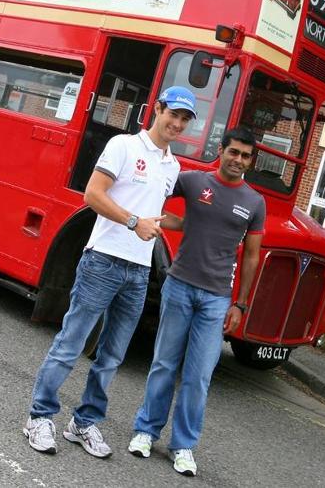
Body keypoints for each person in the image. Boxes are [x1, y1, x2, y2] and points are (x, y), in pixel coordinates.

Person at [23, 85, 197, 458]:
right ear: (159, 110)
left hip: (138, 272)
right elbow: (93, 195)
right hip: (102, 260)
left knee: (112, 357)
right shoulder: (123, 146)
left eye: (185, 120)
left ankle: (84, 423)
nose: (177, 124)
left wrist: (195, 224)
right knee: (70, 344)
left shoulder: (172, 165)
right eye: (174, 115)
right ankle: (39, 416)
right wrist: (133, 222)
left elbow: (154, 211)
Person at [127, 126, 266, 477]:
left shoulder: (254, 202)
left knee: (198, 376)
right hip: (179, 287)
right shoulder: (192, 182)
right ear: (221, 150)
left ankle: (183, 445)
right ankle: (145, 431)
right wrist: (151, 220)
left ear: (252, 161)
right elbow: (150, 189)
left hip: (217, 298)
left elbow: (250, 257)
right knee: (163, 364)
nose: (238, 160)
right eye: (233, 152)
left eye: (245, 155)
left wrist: (241, 304)